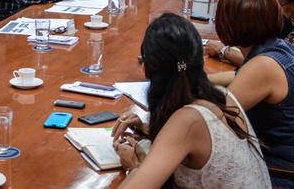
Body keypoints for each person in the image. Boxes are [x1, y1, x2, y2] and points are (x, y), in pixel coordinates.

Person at [112, 13, 271, 189]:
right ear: (200, 58)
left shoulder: (187, 121)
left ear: (148, 70)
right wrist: (146, 128)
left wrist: (134, 167)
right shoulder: (221, 94)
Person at [209, 0, 294, 189]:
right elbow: (240, 76)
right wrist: (198, 80)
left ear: (225, 26)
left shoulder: (263, 67)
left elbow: (214, 123)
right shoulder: (279, 47)